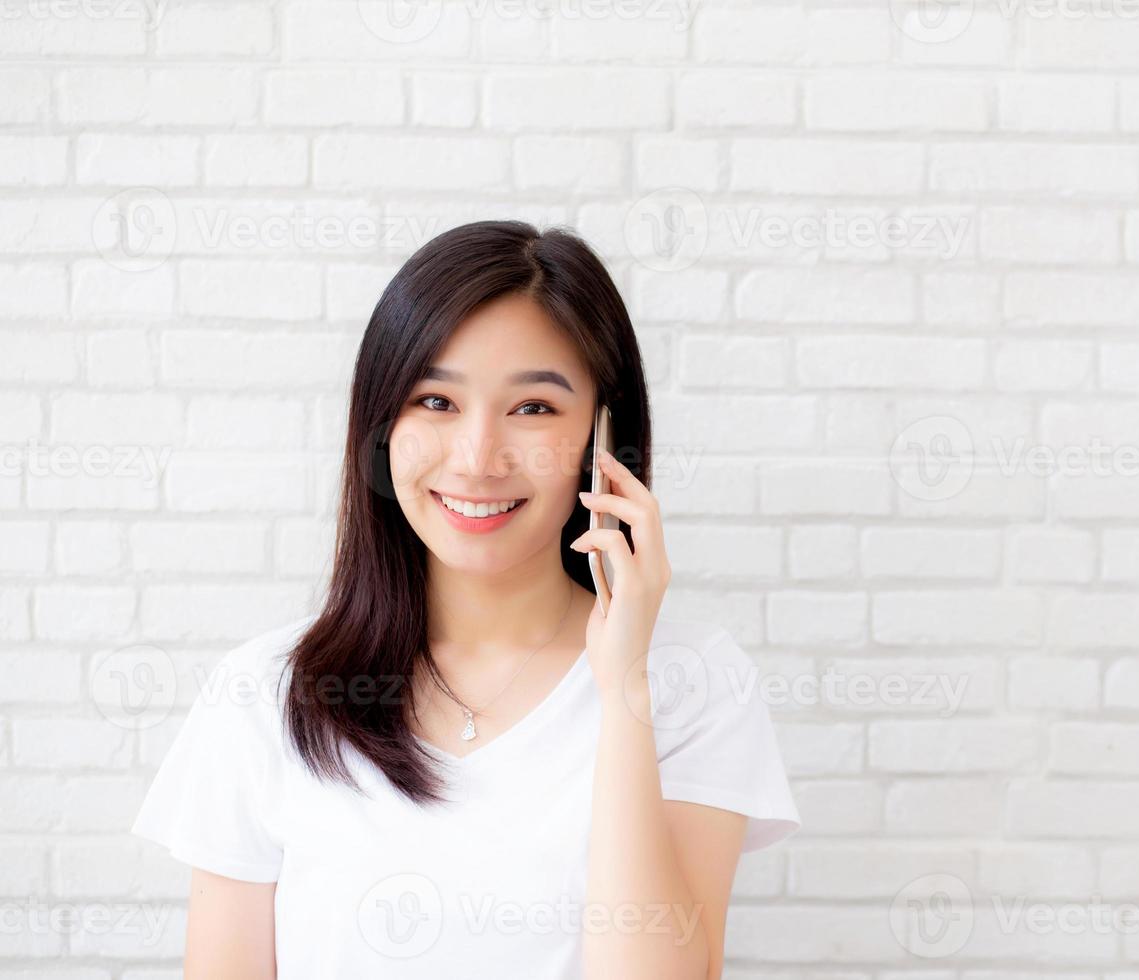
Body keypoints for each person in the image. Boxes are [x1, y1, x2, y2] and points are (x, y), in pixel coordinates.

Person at [131, 220, 801, 979]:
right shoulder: (267, 690)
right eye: (436, 402)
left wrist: (622, 689)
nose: (478, 459)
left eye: (534, 409)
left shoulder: (692, 680)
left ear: (602, 436)